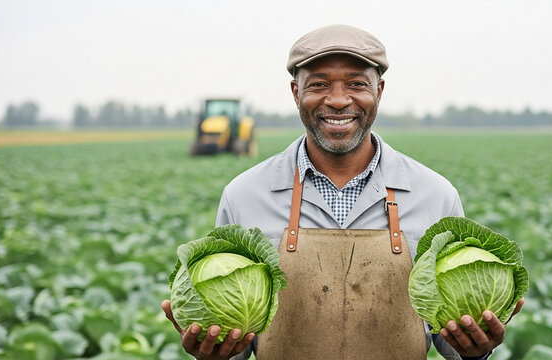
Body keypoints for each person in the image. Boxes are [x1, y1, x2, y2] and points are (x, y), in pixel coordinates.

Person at [162, 24, 523, 360]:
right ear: (295, 92)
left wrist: (477, 349)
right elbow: (236, 339)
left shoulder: (435, 194)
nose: (337, 100)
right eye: (319, 85)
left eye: (356, 84)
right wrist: (215, 352)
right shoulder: (243, 195)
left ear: (378, 91)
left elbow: (449, 338)